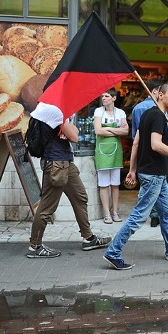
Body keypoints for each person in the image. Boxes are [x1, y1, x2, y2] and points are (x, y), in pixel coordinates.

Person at [103, 83, 168, 270]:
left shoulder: (147, 114)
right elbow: (155, 144)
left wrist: (133, 169)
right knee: (138, 216)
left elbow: (136, 143)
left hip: (154, 174)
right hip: (153, 175)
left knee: (166, 213)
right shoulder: (158, 116)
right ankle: (113, 252)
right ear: (160, 95)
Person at [27, 103, 111, 258]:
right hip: (57, 164)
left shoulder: (51, 109)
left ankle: (88, 238)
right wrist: (68, 126)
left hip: (65, 162)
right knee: (47, 206)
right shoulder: (53, 111)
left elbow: (72, 133)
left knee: (80, 197)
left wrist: (68, 127)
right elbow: (74, 136)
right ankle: (35, 246)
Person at [130, 78, 168, 227]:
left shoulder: (138, 108)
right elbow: (166, 134)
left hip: (144, 153)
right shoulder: (159, 110)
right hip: (161, 151)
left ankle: (157, 216)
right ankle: (163, 213)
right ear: (157, 92)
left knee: (155, 185)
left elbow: (136, 138)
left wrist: (133, 167)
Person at [93, 88, 129, 224]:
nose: (104, 98)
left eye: (107, 96)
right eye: (103, 96)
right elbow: (98, 130)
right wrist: (116, 131)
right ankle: (106, 214)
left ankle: (115, 212)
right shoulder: (98, 111)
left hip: (115, 152)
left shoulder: (120, 112)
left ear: (114, 98)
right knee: (103, 185)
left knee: (115, 184)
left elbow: (126, 131)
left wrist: (107, 129)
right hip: (102, 151)